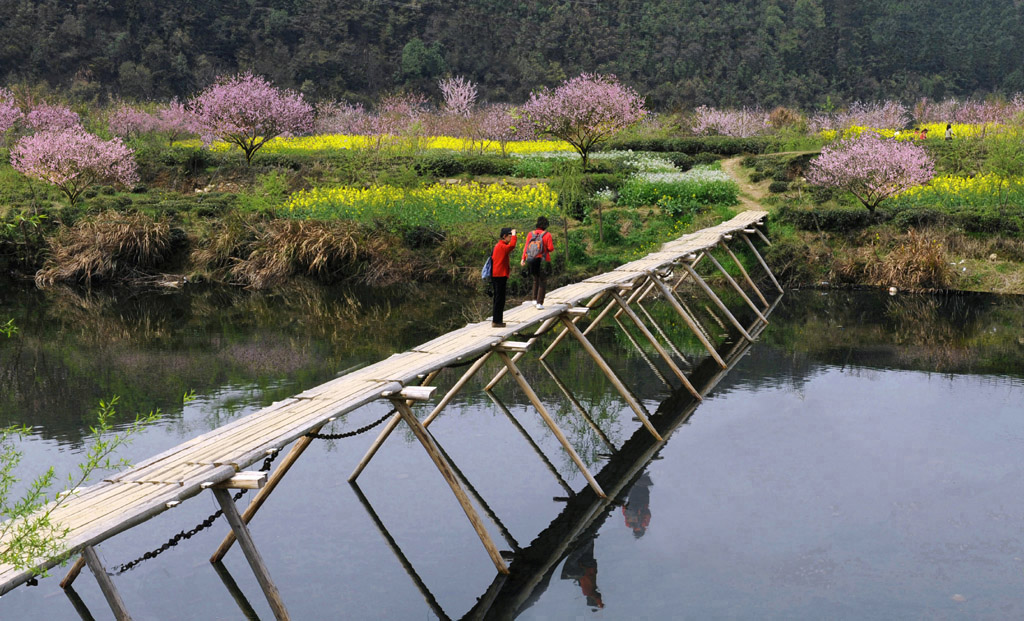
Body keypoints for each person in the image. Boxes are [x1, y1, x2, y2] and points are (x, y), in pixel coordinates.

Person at [520, 216, 555, 309]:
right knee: (542, 281)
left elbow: (526, 247)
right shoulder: (547, 235)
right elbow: (551, 248)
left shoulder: (530, 234)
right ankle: (540, 303)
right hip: (542, 260)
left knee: (535, 279)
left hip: (531, 260)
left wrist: (523, 259)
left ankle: (534, 300)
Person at [490, 227, 516, 328]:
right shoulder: (501, 246)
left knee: (498, 298)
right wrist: (514, 235)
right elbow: (512, 245)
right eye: (509, 236)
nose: (510, 238)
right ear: (504, 236)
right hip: (499, 275)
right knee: (499, 299)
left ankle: (497, 320)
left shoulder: (499, 246)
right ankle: (496, 321)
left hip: (497, 275)